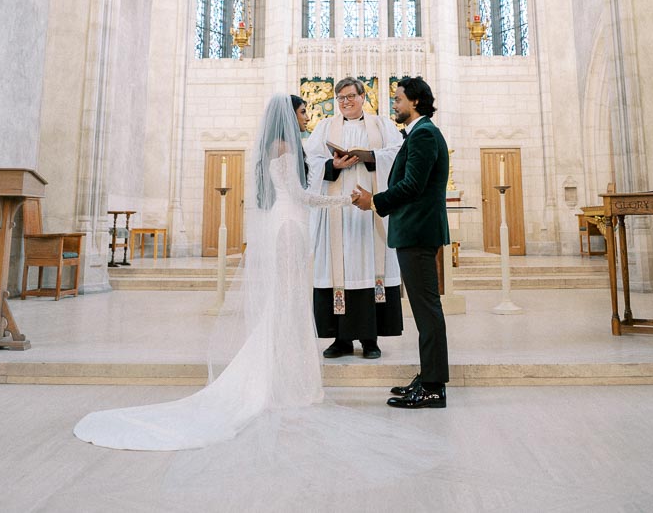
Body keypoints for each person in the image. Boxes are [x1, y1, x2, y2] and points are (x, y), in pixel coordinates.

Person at [74, 94, 348, 450]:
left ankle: (279, 376)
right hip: (289, 226)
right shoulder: (285, 147)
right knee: (289, 302)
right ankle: (280, 380)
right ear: (288, 116)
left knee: (287, 302)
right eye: (302, 111)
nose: (305, 116)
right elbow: (301, 195)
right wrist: (344, 200)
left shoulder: (274, 147)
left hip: (284, 224)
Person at [351, 76, 450, 409]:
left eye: (398, 99)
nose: (394, 105)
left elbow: (412, 186)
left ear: (416, 103)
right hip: (415, 230)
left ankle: (434, 386)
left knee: (427, 310)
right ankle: (428, 376)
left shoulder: (423, 135)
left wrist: (375, 201)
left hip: (418, 231)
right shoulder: (421, 134)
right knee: (424, 310)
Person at [304, 77, 404, 359]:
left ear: (363, 97)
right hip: (336, 214)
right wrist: (331, 165)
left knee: (371, 270)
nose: (346, 102)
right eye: (341, 98)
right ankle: (340, 339)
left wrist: (371, 156)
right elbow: (309, 161)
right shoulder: (325, 127)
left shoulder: (381, 125)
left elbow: (398, 154)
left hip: (370, 214)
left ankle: (370, 340)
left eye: (351, 96)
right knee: (339, 272)